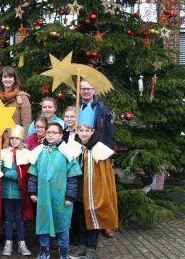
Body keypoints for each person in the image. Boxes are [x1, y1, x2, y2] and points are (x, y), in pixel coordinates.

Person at [69, 106, 118, 259]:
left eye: (87, 130)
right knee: (80, 219)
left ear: (92, 131)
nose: (83, 133)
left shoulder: (99, 149)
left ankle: (91, 249)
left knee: (93, 219)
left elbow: (105, 175)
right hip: (78, 190)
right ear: (77, 131)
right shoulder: (74, 146)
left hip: (93, 191)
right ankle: (82, 247)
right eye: (81, 130)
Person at [28, 122, 82, 259]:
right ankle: (44, 251)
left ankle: (63, 253)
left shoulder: (67, 153)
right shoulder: (40, 151)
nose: (50, 135)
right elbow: (33, 173)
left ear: (61, 135)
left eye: (54, 132)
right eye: (48, 132)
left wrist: (70, 196)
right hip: (43, 197)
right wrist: (32, 192)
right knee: (44, 223)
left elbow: (73, 176)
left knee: (62, 224)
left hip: (61, 197)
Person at [79, 80, 116, 238]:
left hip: (97, 152)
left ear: (94, 90)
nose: (86, 91)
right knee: (83, 190)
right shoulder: (76, 107)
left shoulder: (103, 110)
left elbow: (109, 134)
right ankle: (84, 226)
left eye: (88, 88)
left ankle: (105, 223)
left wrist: (106, 153)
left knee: (101, 191)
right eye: (83, 89)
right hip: (80, 151)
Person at [0, 126, 33, 256]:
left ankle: (22, 242)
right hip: (6, 193)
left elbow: (24, 174)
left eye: (17, 138)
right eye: (12, 138)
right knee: (8, 219)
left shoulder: (27, 154)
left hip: (20, 193)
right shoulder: (2, 152)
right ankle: (8, 242)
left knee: (20, 218)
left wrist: (6, 173)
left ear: (21, 139)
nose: (14, 141)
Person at [0, 66, 32, 136]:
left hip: (15, 140)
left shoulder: (22, 97)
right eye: (5, 77)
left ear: (14, 79)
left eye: (10, 77)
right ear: (1, 79)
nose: (7, 79)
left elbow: (26, 124)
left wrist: (21, 140)